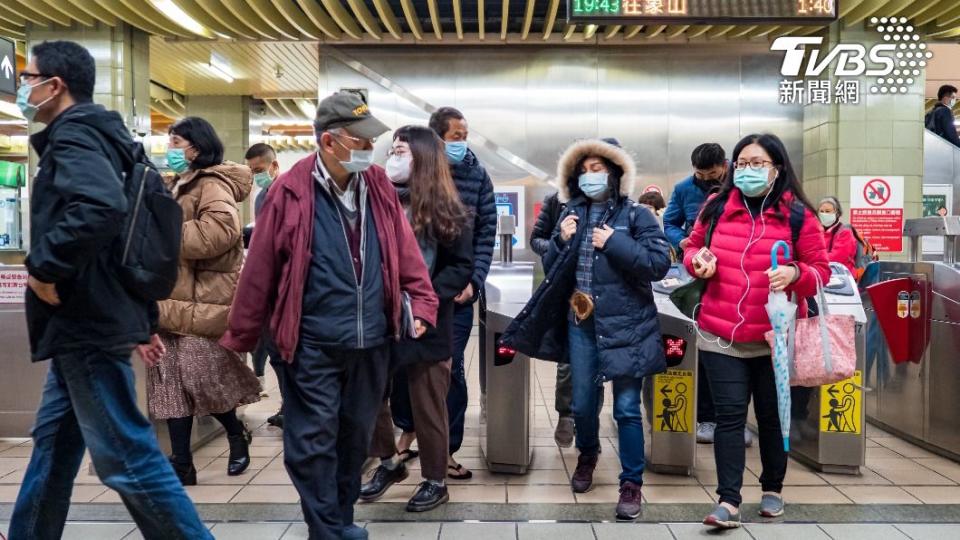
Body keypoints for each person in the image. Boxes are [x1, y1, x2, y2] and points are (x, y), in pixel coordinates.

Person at [10, 40, 210, 540]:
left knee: (126, 456)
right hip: (95, 316)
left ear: (55, 85)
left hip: (86, 320)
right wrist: (140, 320)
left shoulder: (75, 135)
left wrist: (43, 268)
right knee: (53, 445)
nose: (22, 86)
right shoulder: (112, 138)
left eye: (28, 77)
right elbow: (132, 241)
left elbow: (100, 210)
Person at [220, 91, 438, 540]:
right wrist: (241, 335)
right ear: (329, 141)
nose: (368, 149)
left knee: (353, 439)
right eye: (359, 140)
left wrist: (423, 301)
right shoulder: (291, 190)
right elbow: (260, 267)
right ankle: (327, 529)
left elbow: (403, 249)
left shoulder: (376, 184)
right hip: (311, 342)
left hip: (372, 340)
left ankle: (337, 520)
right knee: (312, 441)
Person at [503, 138, 672, 520]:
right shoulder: (568, 215)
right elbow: (555, 266)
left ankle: (631, 483)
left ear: (614, 174)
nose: (590, 176)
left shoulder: (634, 215)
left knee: (628, 408)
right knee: (582, 403)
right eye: (584, 170)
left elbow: (658, 262)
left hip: (627, 324)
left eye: (598, 169)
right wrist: (561, 240)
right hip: (581, 322)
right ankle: (588, 455)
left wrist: (615, 243)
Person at [682, 133, 830, 529]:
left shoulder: (798, 216)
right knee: (729, 418)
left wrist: (796, 272)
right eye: (742, 163)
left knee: (770, 416)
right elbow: (690, 246)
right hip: (720, 332)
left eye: (757, 163)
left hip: (774, 338)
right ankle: (728, 501)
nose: (747, 170)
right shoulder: (715, 208)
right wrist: (698, 260)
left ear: (777, 168)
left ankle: (773, 488)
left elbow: (821, 271)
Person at [361, 125, 474, 512]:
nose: (393, 158)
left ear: (424, 159)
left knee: (428, 402)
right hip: (379, 314)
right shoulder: (373, 201)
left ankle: (434, 479)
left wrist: (425, 301)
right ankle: (389, 462)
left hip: (427, 318)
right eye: (392, 151)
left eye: (402, 152)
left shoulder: (449, 209)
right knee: (372, 392)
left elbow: (460, 266)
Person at [148, 117, 261, 485]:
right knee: (169, 387)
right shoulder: (175, 184)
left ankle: (235, 432)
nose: (171, 148)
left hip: (203, 301)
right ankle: (182, 464)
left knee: (203, 378)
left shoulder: (212, 184)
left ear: (196, 146)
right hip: (169, 300)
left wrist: (162, 234)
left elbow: (219, 233)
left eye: (177, 141)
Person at [662, 143, 753, 447]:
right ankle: (705, 417)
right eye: (699, 173)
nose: (704, 177)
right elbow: (670, 222)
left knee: (739, 350)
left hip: (736, 277)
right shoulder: (684, 188)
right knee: (702, 348)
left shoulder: (742, 185)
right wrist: (684, 241)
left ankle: (735, 420)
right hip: (696, 275)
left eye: (711, 173)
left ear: (724, 166)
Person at [424, 106, 497, 480]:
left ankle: (446, 451)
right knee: (412, 370)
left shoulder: (476, 175)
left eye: (465, 136)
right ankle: (409, 437)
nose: (463, 143)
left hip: (458, 296)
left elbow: (486, 234)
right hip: (416, 294)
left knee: (452, 371)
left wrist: (475, 281)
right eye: (456, 137)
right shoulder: (417, 173)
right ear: (437, 138)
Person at [530, 191, 576, 446]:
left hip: (601, 291)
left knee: (597, 362)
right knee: (568, 360)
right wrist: (560, 242)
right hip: (565, 290)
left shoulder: (613, 203)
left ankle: (587, 419)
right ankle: (566, 415)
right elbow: (536, 239)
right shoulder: (555, 201)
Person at [245, 142, 284, 427]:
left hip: (286, 285)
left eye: (259, 170)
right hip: (269, 285)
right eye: (251, 171)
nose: (255, 175)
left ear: (274, 165)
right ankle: (287, 405)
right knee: (275, 352)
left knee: (284, 352)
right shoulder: (261, 197)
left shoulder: (289, 193)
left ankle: (292, 406)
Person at [818, 196, 857, 275]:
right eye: (821, 211)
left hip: (842, 278)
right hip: (824, 275)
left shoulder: (845, 232)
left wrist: (814, 258)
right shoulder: (818, 231)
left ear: (837, 213)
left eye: (827, 211)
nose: (824, 214)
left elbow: (836, 258)